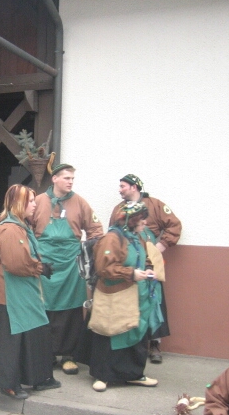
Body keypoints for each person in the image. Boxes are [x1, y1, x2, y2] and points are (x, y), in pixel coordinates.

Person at [0, 184, 60, 399]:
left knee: (35, 332)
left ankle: (39, 377)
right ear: (18, 204)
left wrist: (37, 266)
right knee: (10, 340)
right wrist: (40, 268)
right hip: (9, 294)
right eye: (30, 201)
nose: (34, 205)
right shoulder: (10, 229)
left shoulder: (21, 226)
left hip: (24, 292)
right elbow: (15, 263)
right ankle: (9, 383)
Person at [32, 164, 103, 375]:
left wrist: (88, 255)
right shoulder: (38, 201)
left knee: (71, 310)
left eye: (72, 178)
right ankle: (45, 353)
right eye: (66, 178)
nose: (70, 182)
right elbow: (24, 228)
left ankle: (68, 355)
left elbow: (96, 230)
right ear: (54, 179)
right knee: (43, 307)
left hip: (71, 264)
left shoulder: (80, 202)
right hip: (44, 261)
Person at [88, 202, 160, 392]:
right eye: (141, 219)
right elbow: (104, 268)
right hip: (115, 296)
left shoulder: (136, 238)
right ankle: (103, 375)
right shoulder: (112, 239)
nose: (145, 222)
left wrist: (148, 269)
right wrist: (131, 273)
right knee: (110, 332)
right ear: (130, 220)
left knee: (136, 333)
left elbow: (145, 258)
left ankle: (134, 374)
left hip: (136, 296)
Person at [109, 174, 181, 364]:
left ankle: (155, 343)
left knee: (154, 299)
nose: (120, 190)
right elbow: (112, 233)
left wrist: (161, 246)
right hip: (128, 261)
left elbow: (175, 225)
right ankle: (132, 342)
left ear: (134, 187)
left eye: (123, 186)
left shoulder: (155, 205)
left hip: (150, 261)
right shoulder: (119, 209)